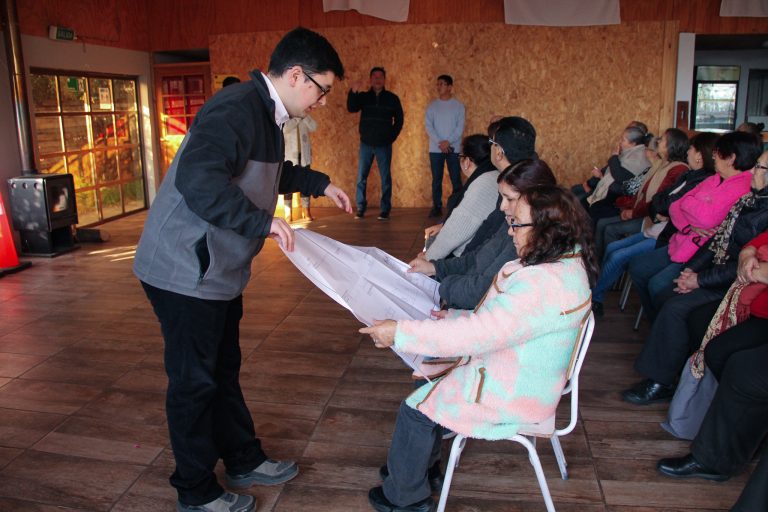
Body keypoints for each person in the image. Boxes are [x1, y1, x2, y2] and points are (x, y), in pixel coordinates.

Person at [133, 27, 351, 512]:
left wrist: (320, 184)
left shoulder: (267, 114)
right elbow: (199, 180)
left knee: (221, 371)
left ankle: (242, 459)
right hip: (184, 269)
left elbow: (268, 173)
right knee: (194, 382)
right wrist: (262, 222)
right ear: (296, 75)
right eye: (321, 90)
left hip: (215, 271)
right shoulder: (236, 108)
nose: (322, 102)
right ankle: (195, 490)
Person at [360, 185, 597, 512]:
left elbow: (480, 334)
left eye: (517, 224)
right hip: (528, 373)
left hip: (515, 390)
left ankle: (405, 498)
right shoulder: (566, 264)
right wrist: (454, 317)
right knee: (426, 383)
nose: (510, 231)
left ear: (547, 229)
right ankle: (417, 471)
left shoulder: (540, 284)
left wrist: (399, 333)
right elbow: (502, 324)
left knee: (415, 409)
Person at [622, 147, 766, 406]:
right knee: (666, 293)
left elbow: (742, 266)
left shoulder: (759, 207)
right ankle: (670, 366)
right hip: (715, 271)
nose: (753, 171)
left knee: (674, 306)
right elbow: (716, 240)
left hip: (734, 285)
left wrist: (699, 280)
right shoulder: (749, 201)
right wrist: (692, 270)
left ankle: (661, 380)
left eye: (759, 167)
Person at [627, 131, 761, 322]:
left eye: (718, 152)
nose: (713, 156)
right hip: (681, 239)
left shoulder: (743, 187)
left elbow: (705, 219)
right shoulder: (713, 178)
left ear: (731, 158)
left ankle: (660, 322)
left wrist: (691, 206)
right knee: (637, 267)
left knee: (657, 285)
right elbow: (675, 207)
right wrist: (690, 224)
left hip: (701, 252)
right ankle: (657, 321)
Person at [409, 159, 556, 311]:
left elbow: (482, 292)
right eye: (502, 198)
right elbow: (476, 257)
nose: (502, 206)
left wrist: (444, 287)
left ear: (535, 201)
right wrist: (434, 267)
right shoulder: (510, 225)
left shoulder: (524, 242)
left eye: (510, 199)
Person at [421, 134, 496, 260]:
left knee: (431, 242)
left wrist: (426, 259)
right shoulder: (495, 175)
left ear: (467, 162)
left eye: (460, 156)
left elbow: (455, 232)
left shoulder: (482, 184)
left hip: (469, 257)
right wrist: (443, 226)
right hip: (484, 250)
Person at [348, 67, 404, 220]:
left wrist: (390, 137)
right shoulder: (364, 97)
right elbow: (351, 108)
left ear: (384, 80)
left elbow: (399, 120)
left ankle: (385, 210)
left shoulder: (392, 98)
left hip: (384, 145)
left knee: (385, 179)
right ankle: (360, 208)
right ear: (370, 79)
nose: (377, 79)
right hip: (366, 143)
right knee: (361, 178)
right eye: (374, 76)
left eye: (380, 77)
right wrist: (353, 92)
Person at [425, 74, 465, 218]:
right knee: (437, 179)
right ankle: (436, 207)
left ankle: (457, 207)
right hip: (435, 150)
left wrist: (448, 142)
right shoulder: (432, 106)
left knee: (456, 178)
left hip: (453, 149)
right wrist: (440, 143)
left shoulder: (458, 106)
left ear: (450, 87)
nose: (439, 87)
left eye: (442, 84)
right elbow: (429, 127)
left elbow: (459, 128)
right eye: (438, 84)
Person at [282, 115, 317, 220]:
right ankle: (288, 212)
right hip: (290, 156)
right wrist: (297, 118)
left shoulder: (304, 117)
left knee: (305, 182)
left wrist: (305, 117)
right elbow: (285, 129)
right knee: (288, 183)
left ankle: (306, 211)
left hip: (304, 156)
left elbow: (314, 127)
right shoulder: (287, 117)